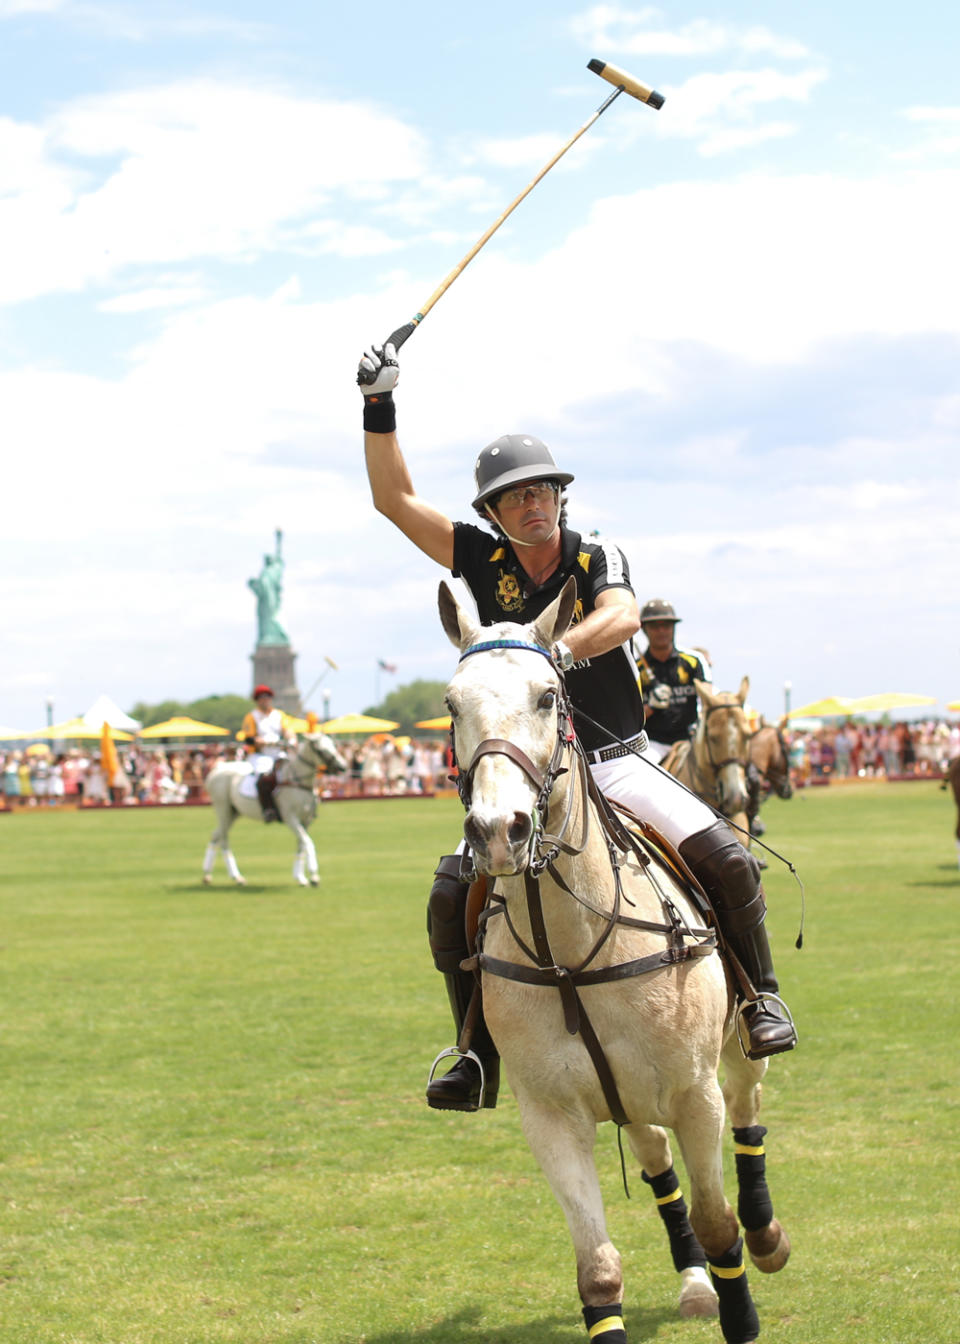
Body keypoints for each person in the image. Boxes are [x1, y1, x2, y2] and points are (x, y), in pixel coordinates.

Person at [358, 341, 797, 1111]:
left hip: (615, 760)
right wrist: (378, 406)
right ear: (492, 512)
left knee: (728, 858)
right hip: (529, 770)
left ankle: (760, 999)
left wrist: (553, 651)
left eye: (545, 492)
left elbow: (622, 614)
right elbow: (394, 501)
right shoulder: (479, 559)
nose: (536, 505)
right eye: (517, 497)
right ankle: (474, 1051)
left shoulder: (596, 555)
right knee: (449, 895)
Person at [634, 600, 712, 764]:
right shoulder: (635, 668)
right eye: (655, 626)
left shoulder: (693, 661)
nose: (661, 631)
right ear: (644, 630)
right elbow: (630, 718)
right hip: (653, 743)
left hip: (689, 738)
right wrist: (651, 706)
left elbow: (708, 700)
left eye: (667, 625)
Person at [240, 684, 296, 822]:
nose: (264, 700)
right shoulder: (252, 716)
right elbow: (249, 738)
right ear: (257, 700)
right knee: (265, 778)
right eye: (261, 698)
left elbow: (287, 730)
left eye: (267, 697)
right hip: (260, 755)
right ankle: (268, 809)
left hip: (278, 753)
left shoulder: (279, 715)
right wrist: (264, 742)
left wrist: (292, 739)